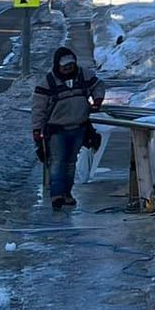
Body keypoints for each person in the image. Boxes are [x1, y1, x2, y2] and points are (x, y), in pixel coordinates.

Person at [31, 46, 104, 209]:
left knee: (71, 162)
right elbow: (38, 109)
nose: (68, 69)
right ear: (58, 66)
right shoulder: (48, 83)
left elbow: (98, 85)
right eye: (65, 66)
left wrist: (97, 100)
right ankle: (56, 195)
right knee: (57, 162)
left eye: (70, 65)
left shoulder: (83, 76)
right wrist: (37, 129)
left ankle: (67, 194)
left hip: (78, 128)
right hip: (57, 131)